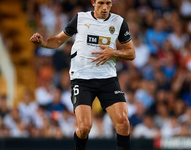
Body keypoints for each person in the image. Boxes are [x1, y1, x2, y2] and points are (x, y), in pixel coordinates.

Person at [30, 0, 135, 149]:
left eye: (108, 3)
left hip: (108, 78)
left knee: (124, 123)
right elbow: (59, 40)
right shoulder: (80, 18)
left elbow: (131, 53)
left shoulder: (118, 22)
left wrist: (114, 52)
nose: (105, 7)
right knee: (85, 127)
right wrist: (43, 43)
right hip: (82, 79)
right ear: (93, 2)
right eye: (101, 3)